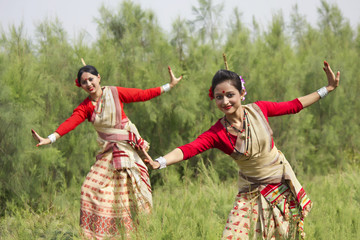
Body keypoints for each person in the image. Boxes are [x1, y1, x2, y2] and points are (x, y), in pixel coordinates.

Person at [144, 61, 340, 239]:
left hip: (279, 187)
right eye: (219, 97)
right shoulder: (217, 132)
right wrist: (159, 162)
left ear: (241, 93)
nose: (225, 101)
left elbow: (294, 105)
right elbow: (188, 149)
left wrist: (328, 88)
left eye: (230, 95)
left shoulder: (259, 110)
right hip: (250, 193)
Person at [32, 64, 182, 239]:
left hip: (128, 150)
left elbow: (142, 95)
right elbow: (70, 123)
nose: (88, 84)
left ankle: (132, 233)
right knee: (89, 189)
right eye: (83, 82)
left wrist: (168, 86)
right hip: (109, 152)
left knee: (127, 194)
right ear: (80, 86)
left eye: (90, 79)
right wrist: (49, 138)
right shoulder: (86, 107)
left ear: (99, 78)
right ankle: (97, 235)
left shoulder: (114, 93)